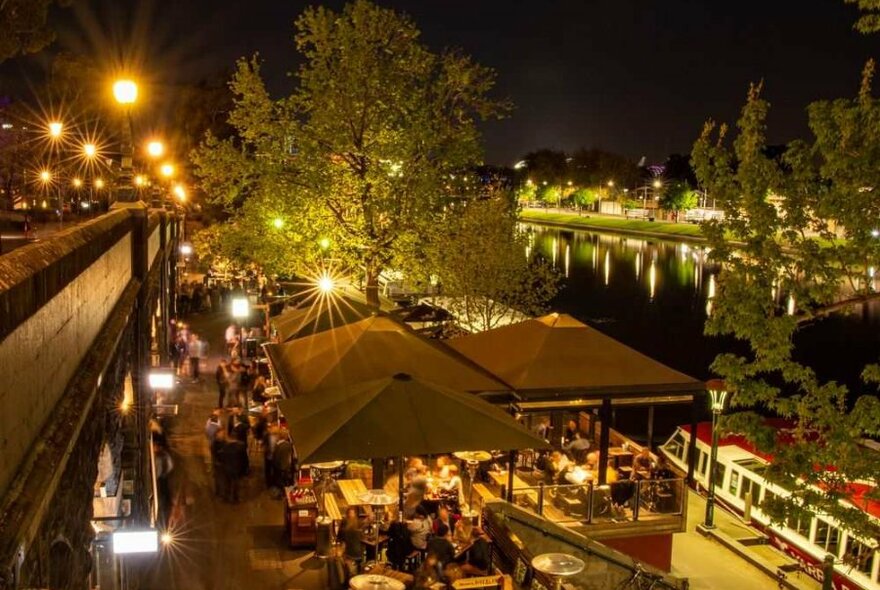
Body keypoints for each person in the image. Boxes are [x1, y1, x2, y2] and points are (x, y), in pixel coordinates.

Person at [220, 433, 248, 503]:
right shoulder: (241, 447)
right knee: (235, 484)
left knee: (227, 483)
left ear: (230, 438)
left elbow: (222, 458)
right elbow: (244, 458)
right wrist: (245, 468)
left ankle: (226, 497)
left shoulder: (225, 447)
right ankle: (234, 498)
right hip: (236, 468)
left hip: (227, 468)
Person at [338, 507, 364, 577]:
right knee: (350, 571)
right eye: (350, 513)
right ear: (347, 514)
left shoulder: (357, 522)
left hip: (357, 551)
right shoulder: (345, 522)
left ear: (355, 514)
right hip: (349, 551)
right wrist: (341, 548)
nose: (351, 515)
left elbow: (362, 535)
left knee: (356, 570)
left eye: (352, 513)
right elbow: (341, 536)